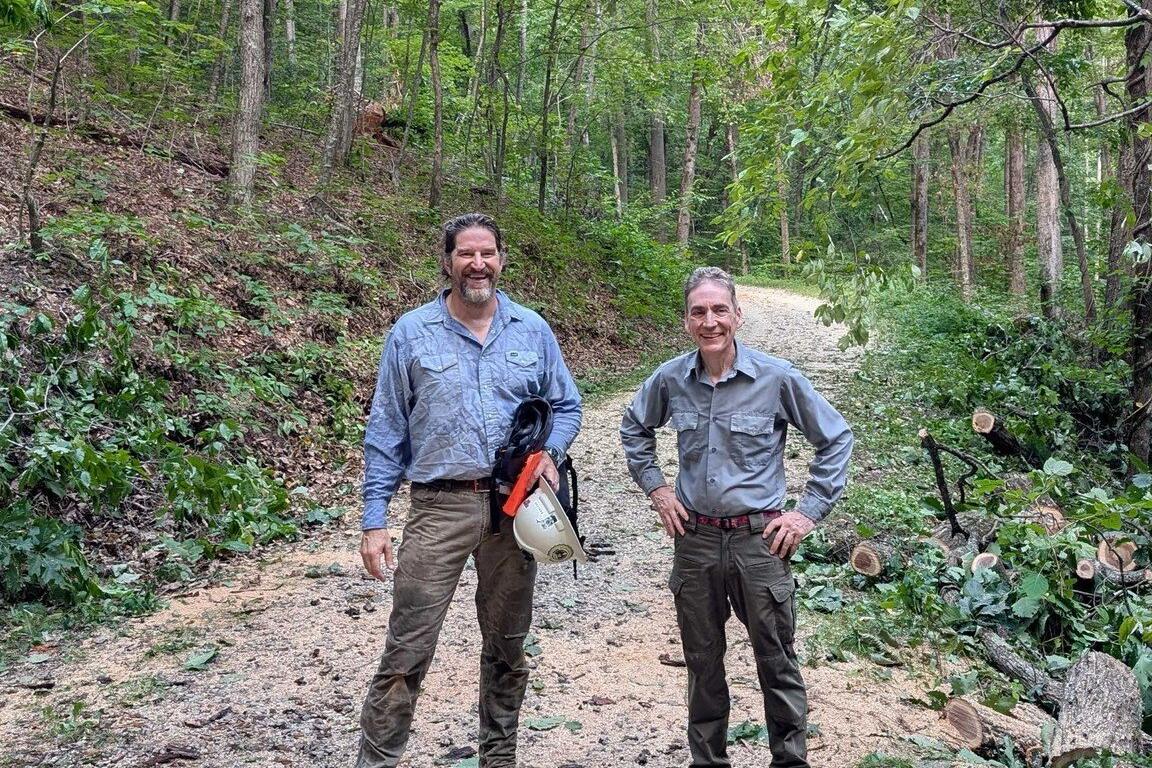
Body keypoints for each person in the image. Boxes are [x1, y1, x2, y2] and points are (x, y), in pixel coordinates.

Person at [356, 213, 582, 768]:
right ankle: (377, 760)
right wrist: (374, 517)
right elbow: (386, 427)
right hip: (439, 505)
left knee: (507, 647)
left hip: (517, 507)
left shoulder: (532, 329)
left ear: (502, 260)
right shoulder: (411, 333)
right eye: (465, 254)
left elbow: (567, 405)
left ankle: (497, 758)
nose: (477, 264)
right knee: (408, 647)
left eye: (487, 253)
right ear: (447, 261)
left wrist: (548, 454)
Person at [620, 266, 853, 768]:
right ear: (686, 321)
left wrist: (806, 513)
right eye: (698, 312)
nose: (710, 321)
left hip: (760, 543)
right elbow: (634, 428)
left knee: (776, 661)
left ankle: (790, 761)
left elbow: (835, 438)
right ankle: (708, 760)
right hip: (696, 540)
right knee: (703, 665)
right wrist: (658, 490)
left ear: (737, 316)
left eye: (719, 310)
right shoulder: (671, 379)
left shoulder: (776, 378)